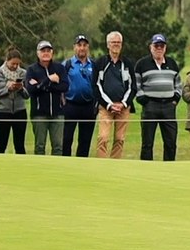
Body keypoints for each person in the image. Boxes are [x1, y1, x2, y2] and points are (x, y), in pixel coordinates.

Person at [134, 33, 182, 161]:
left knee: (171, 142)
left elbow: (178, 84)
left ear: (165, 48)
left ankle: (169, 167)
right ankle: (147, 167)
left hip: (168, 106)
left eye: (162, 46)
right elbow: (137, 85)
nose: (159, 48)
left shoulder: (172, 63)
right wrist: (144, 101)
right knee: (147, 143)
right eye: (156, 46)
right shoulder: (142, 64)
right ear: (151, 47)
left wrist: (175, 99)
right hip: (150, 106)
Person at [93, 31, 136, 159]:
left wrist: (123, 103)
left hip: (123, 108)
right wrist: (109, 104)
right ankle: (102, 164)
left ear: (121, 45)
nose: (116, 45)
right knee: (103, 138)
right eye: (113, 42)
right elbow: (96, 86)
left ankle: (115, 164)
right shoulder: (100, 62)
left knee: (119, 139)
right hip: (105, 108)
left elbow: (133, 87)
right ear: (108, 45)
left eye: (118, 42)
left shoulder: (127, 63)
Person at [26, 40, 68, 156]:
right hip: (39, 114)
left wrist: (42, 85)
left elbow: (64, 86)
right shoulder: (32, 69)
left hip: (57, 113)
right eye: (43, 51)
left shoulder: (59, 68)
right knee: (39, 146)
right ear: (38, 53)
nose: (46, 53)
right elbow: (31, 89)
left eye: (48, 51)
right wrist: (49, 80)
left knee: (58, 147)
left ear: (52, 52)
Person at [62, 35, 98, 157]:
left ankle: (82, 163)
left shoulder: (94, 65)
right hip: (70, 105)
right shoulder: (67, 64)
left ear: (88, 47)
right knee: (66, 138)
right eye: (79, 45)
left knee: (85, 140)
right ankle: (65, 163)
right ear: (74, 47)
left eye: (84, 45)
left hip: (88, 106)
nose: (82, 48)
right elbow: (61, 84)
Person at [0, 49, 29, 154]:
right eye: (13, 63)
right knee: (1, 144)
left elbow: (27, 95)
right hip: (3, 112)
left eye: (17, 64)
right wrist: (7, 89)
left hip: (20, 112)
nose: (15, 66)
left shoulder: (23, 73)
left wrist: (21, 88)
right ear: (7, 60)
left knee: (20, 145)